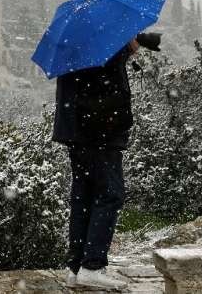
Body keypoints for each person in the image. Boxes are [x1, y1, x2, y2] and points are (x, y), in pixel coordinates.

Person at [54, 32, 161, 289]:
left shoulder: (77, 37)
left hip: (77, 131)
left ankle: (76, 267)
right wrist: (125, 49)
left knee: (83, 197)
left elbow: (91, 76)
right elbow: (102, 83)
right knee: (109, 194)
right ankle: (92, 266)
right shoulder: (102, 41)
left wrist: (126, 49)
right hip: (98, 132)